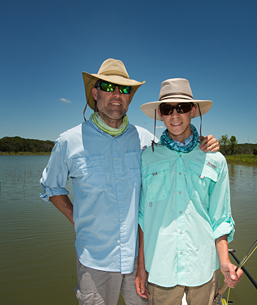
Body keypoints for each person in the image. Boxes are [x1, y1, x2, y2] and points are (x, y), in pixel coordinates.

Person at [39, 59, 219, 305]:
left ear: (130, 98)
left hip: (140, 260)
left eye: (124, 89)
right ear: (95, 92)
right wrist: (76, 218)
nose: (116, 95)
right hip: (95, 260)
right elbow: (52, 188)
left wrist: (205, 145)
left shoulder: (146, 140)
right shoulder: (68, 142)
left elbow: (178, 146)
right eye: (108, 87)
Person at [135, 78, 243, 305]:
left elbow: (220, 218)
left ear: (193, 111)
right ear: (160, 114)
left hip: (203, 267)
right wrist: (141, 267)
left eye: (182, 108)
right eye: (167, 109)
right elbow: (144, 218)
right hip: (160, 268)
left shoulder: (216, 159)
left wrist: (224, 262)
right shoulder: (146, 158)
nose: (175, 115)